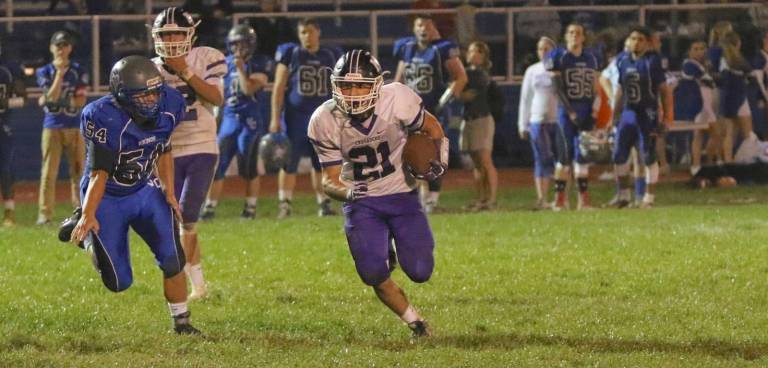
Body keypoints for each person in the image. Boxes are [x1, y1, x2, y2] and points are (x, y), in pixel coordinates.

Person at [308, 50, 447, 337]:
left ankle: (390, 248)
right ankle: (415, 323)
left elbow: (433, 127)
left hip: (401, 194)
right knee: (372, 272)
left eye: (360, 85)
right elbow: (329, 180)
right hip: (362, 201)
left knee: (421, 271)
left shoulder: (397, 98)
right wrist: (349, 194)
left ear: (377, 84)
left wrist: (439, 161)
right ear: (335, 85)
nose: (353, 93)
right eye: (346, 85)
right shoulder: (324, 119)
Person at [67, 55, 200, 334]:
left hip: (143, 189)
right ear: (122, 96)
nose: (152, 100)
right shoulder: (103, 116)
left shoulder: (171, 103)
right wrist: (89, 213)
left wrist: (169, 190)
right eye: (143, 95)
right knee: (119, 282)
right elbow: (98, 173)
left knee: (173, 257)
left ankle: (182, 323)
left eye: (155, 92)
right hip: (105, 196)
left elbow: (163, 147)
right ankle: (87, 236)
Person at [151, 6, 226, 301]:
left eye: (176, 33)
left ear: (189, 34)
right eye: (165, 34)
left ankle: (186, 282)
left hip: (201, 145)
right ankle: (199, 283)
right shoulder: (150, 68)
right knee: (175, 218)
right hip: (167, 150)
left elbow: (216, 97)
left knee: (188, 215)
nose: (170, 39)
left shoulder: (207, 57)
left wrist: (184, 70)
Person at [269, 18, 342, 219]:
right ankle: (285, 203)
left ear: (318, 32)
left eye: (309, 31)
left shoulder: (331, 54)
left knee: (321, 163)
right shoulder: (291, 53)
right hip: (295, 117)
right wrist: (275, 118)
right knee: (289, 162)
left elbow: (340, 89)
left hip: (322, 118)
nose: (306, 36)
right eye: (302, 32)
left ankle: (324, 203)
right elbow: (278, 87)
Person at [394, 14, 467, 213]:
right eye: (419, 25)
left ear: (434, 29)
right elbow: (399, 80)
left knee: (433, 153)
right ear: (414, 28)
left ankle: (432, 199)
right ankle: (416, 197)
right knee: (406, 153)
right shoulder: (406, 48)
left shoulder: (441, 48)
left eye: (427, 25)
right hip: (409, 111)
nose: (423, 29)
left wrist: (442, 103)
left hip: (433, 110)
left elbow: (460, 77)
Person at [200, 24, 272, 220]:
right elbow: (218, 92)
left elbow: (248, 89)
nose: (238, 49)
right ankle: (209, 207)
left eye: (242, 44)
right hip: (229, 119)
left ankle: (250, 208)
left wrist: (241, 69)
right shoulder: (225, 63)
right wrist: (215, 116)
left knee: (248, 167)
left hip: (250, 121)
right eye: (235, 45)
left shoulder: (260, 62)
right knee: (217, 166)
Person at [610, 26, 674, 209]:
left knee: (647, 155)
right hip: (628, 113)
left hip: (647, 112)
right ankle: (623, 194)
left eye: (640, 39)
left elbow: (664, 90)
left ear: (647, 42)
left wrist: (667, 118)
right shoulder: (622, 60)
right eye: (633, 38)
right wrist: (614, 116)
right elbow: (621, 89)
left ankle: (648, 197)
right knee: (618, 154)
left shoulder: (652, 61)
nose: (635, 42)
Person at [544, 23, 600, 211]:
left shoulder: (591, 58)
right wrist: (570, 112)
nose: (575, 36)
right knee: (564, 155)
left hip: (585, 108)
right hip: (566, 113)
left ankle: (583, 200)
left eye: (578, 33)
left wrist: (594, 111)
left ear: (584, 37)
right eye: (571, 33)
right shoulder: (559, 56)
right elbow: (557, 89)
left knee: (583, 154)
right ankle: (560, 199)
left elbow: (596, 88)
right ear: (565, 36)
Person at [36, 30, 88, 225]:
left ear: (70, 48)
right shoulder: (45, 71)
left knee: (78, 171)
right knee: (49, 173)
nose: (61, 49)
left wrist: (54, 101)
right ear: (51, 48)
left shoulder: (79, 70)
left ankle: (81, 212)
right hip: (52, 127)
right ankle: (45, 214)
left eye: (65, 45)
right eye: (58, 45)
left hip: (74, 126)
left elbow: (80, 100)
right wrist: (59, 74)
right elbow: (51, 97)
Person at [518, 36, 557, 210]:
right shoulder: (532, 71)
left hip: (557, 120)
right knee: (541, 159)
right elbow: (526, 98)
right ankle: (542, 197)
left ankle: (560, 197)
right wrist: (523, 123)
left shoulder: (560, 68)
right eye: (540, 49)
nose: (543, 52)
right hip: (537, 120)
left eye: (547, 49)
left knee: (561, 159)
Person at [460, 41, 498, 211]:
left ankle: (491, 199)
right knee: (476, 163)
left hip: (482, 119)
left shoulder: (481, 74)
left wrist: (457, 90)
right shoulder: (467, 73)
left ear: (484, 57)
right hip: (468, 119)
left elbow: (465, 88)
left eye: (478, 52)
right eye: (471, 51)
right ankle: (481, 198)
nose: (474, 54)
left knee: (485, 160)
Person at [675, 39, 719, 175]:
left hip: (707, 104)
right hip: (699, 105)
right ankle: (698, 165)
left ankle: (706, 164)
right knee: (705, 133)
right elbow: (709, 81)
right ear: (689, 51)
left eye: (701, 48)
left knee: (712, 134)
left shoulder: (705, 65)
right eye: (695, 49)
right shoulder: (689, 64)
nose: (699, 52)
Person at [0, 41, 27, 226]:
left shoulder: (6, 72)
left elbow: (22, 98)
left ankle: (9, 212)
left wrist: (7, 104)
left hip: (2, 124)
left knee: (5, 169)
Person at [718, 31, 754, 163]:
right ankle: (748, 160)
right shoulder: (739, 59)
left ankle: (728, 161)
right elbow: (750, 75)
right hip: (739, 97)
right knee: (747, 133)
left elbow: (723, 80)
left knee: (730, 132)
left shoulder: (724, 59)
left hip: (727, 98)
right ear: (738, 43)